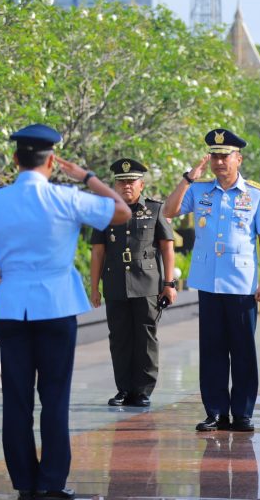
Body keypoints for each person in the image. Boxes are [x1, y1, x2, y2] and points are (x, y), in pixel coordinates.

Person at [0, 124, 131, 500]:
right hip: (56, 309)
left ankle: (25, 483)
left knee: (16, 402)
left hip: (12, 309)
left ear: (15, 159)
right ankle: (52, 482)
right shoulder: (67, 197)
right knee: (55, 399)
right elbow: (122, 210)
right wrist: (87, 177)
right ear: (52, 161)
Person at [163, 128, 260, 432]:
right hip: (208, 282)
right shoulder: (199, 190)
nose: (219, 162)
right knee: (212, 350)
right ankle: (215, 412)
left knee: (243, 351)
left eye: (225, 156)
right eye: (214, 156)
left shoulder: (256, 193)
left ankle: (242, 413)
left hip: (241, 283)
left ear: (239, 159)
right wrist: (188, 179)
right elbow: (169, 211)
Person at [90, 158, 177, 408]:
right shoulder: (106, 212)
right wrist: (94, 287)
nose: (126, 186)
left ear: (141, 185)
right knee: (119, 338)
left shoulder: (155, 209)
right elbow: (98, 252)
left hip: (147, 283)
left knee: (145, 337)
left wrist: (169, 283)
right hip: (116, 282)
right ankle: (124, 389)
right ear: (115, 185)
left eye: (131, 181)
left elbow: (167, 247)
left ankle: (142, 390)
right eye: (122, 182)